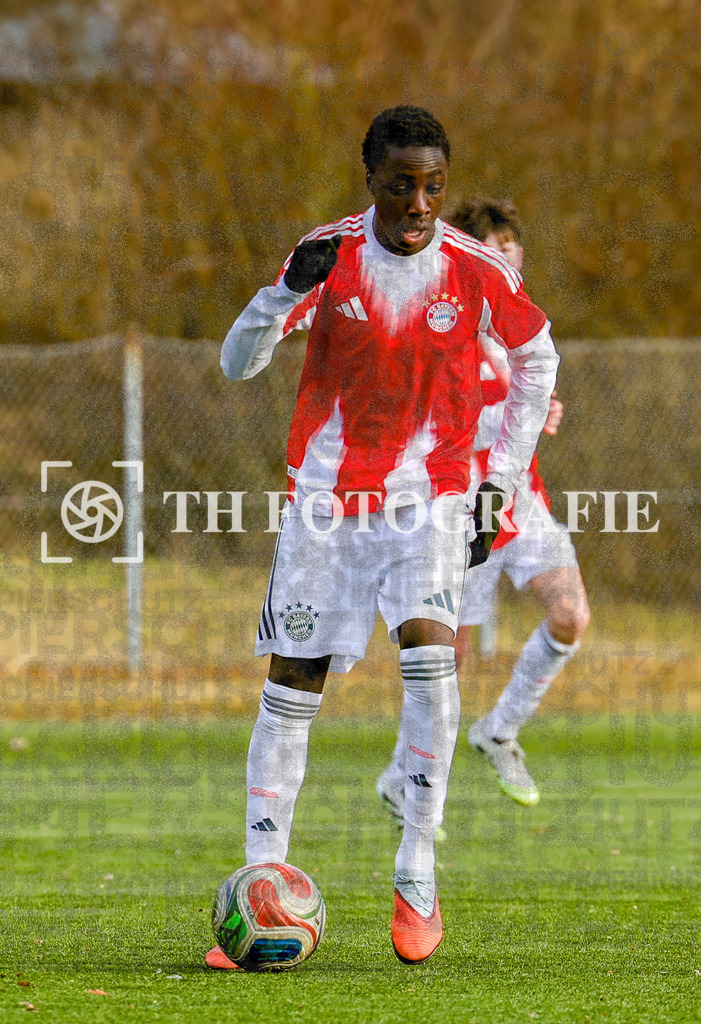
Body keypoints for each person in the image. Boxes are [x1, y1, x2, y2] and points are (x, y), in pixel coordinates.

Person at [209, 111, 559, 968]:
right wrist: (284, 290)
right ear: (370, 178)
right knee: (292, 684)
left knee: (431, 665)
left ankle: (416, 870)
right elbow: (236, 363)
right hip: (325, 502)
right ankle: (262, 876)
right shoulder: (324, 255)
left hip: (429, 500)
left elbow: (538, 358)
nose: (417, 201)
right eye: (400, 183)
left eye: (433, 184)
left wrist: (498, 482)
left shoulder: (473, 270)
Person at [376, 198, 589, 825]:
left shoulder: (518, 330)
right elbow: (427, 422)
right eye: (495, 253)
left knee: (571, 614)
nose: (508, 265)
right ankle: (404, 781)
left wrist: (543, 410)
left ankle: (498, 732)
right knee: (446, 662)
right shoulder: (439, 324)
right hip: (457, 512)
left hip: (520, 500)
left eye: (514, 253)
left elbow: (529, 399)